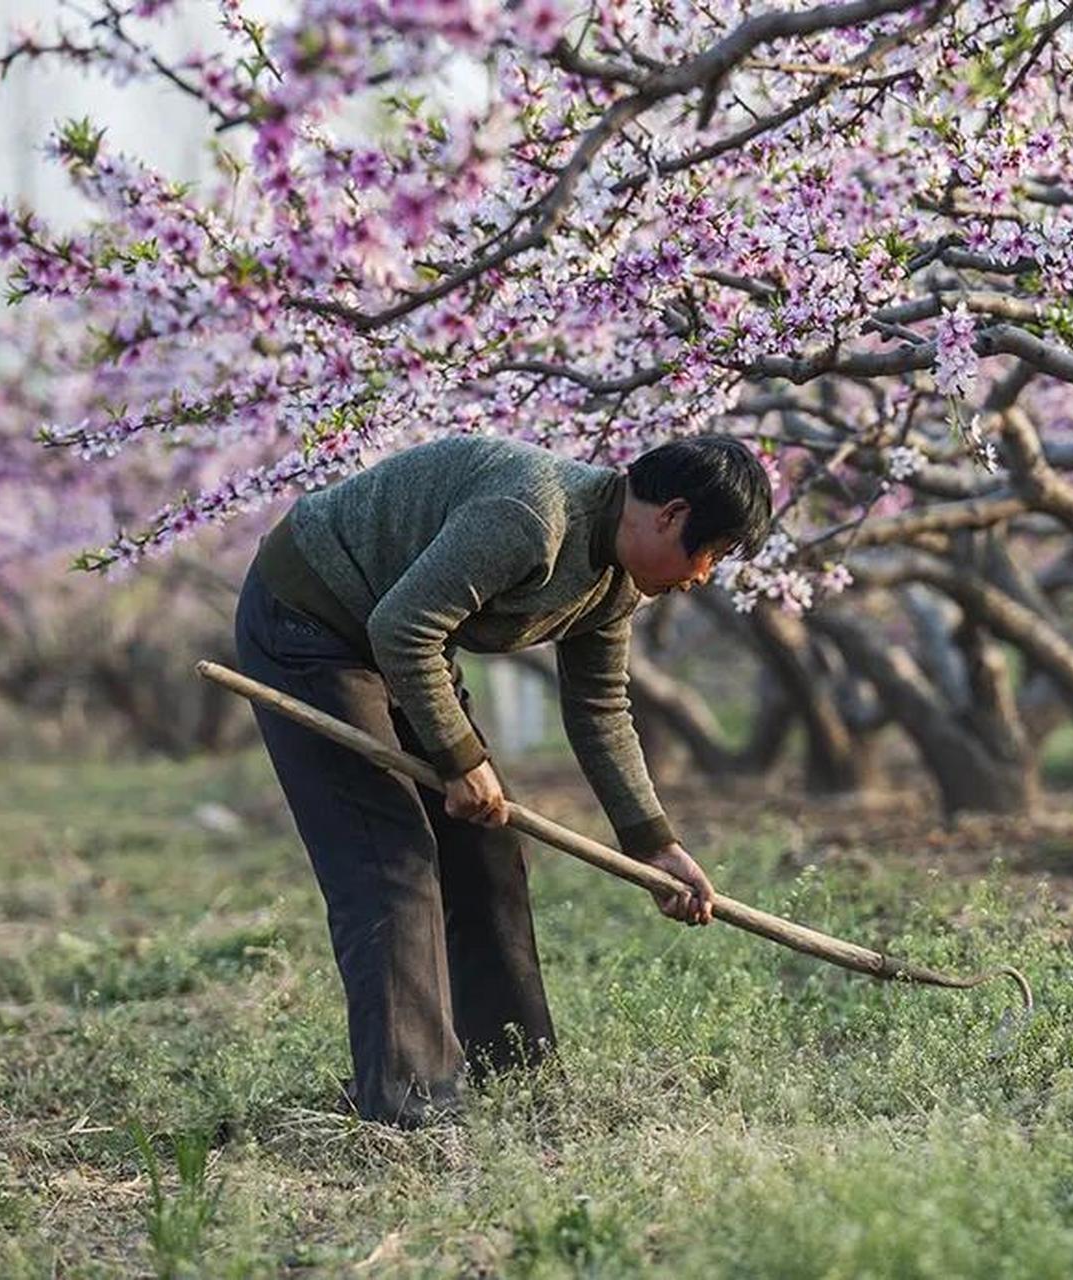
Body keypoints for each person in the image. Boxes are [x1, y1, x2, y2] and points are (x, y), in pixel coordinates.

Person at [232, 432, 772, 1127]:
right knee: (390, 857)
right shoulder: (534, 514)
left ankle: (515, 1078)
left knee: (488, 850)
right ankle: (411, 1107)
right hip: (309, 621)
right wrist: (461, 760)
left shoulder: (613, 586)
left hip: (396, 643)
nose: (702, 577)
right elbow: (404, 628)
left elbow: (600, 709)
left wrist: (653, 846)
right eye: (713, 554)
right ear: (669, 514)